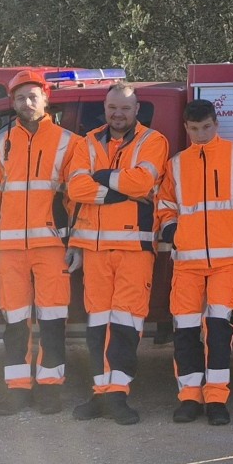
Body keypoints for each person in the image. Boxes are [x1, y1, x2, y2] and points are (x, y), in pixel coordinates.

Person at [157, 100, 233, 426]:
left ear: (216, 124)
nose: (201, 134)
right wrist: (173, 231)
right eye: (194, 129)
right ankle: (190, 398)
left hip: (226, 261)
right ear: (186, 128)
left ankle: (217, 399)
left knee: (218, 331)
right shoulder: (176, 164)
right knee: (185, 331)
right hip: (187, 262)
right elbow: (164, 205)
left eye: (206, 127)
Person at [0, 70, 78, 416]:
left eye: (33, 96)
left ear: (46, 98)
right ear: (12, 102)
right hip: (9, 250)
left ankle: (50, 389)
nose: (27, 102)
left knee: (53, 321)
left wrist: (76, 243)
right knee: (15, 323)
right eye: (20, 97)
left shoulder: (69, 142)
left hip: (52, 247)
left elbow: (76, 201)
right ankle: (17, 389)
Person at [66, 82, 168, 425]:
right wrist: (118, 191)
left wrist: (101, 176)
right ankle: (100, 393)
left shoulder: (153, 140)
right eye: (112, 107)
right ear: (105, 108)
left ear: (137, 110)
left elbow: (143, 183)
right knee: (97, 325)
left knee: (126, 324)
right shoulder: (88, 141)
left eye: (125, 108)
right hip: (94, 250)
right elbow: (75, 187)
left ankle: (118, 395)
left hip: (134, 247)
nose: (118, 114)